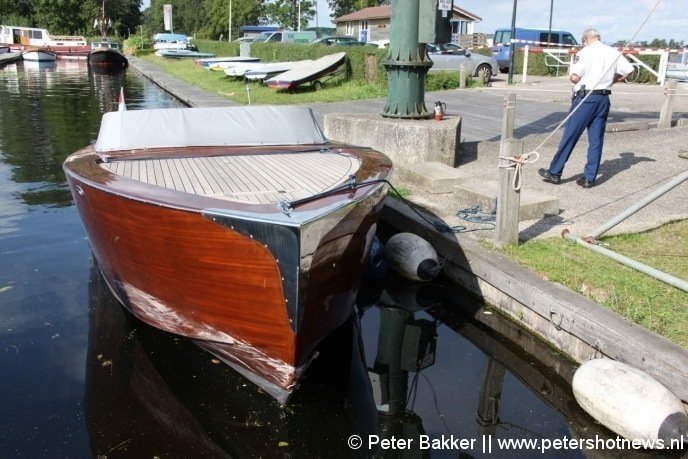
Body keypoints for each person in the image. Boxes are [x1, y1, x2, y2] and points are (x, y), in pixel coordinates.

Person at [538, 28, 634, 188]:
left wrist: (585, 82)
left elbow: (574, 77)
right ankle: (589, 178)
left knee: (570, 135)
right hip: (603, 98)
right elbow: (630, 70)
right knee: (596, 140)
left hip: (586, 98)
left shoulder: (585, 52)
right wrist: (611, 81)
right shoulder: (612, 52)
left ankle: (555, 172)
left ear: (586, 39)